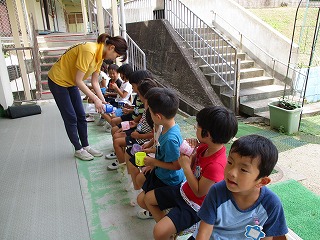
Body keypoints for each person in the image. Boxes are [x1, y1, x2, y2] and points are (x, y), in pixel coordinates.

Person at [144, 106, 238, 240]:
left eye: (198, 126)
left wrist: (186, 167)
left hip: (196, 205)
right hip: (184, 190)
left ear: (207, 134)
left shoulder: (217, 165)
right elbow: (193, 166)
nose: (195, 127)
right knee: (148, 199)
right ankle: (170, 232)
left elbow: (199, 192)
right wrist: (188, 153)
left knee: (158, 232)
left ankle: (168, 231)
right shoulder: (204, 146)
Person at [47, 33, 127, 161]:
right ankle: (78, 149)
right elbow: (79, 81)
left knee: (81, 115)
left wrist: (103, 101)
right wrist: (95, 100)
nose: (113, 59)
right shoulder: (89, 51)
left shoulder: (100, 56)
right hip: (58, 81)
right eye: (116, 56)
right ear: (111, 47)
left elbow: (95, 82)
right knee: (71, 117)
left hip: (71, 82)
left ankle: (86, 146)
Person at [192, 135, 288, 240]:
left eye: (243, 170)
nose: (231, 172)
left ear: (262, 181)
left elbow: (267, 237)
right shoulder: (217, 192)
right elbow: (204, 234)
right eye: (230, 162)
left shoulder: (271, 204)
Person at [135, 87, 185, 219]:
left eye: (150, 113)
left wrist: (154, 162)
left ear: (158, 116)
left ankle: (165, 226)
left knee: (143, 200)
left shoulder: (170, 139)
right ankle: (157, 209)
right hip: (161, 172)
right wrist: (153, 165)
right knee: (140, 179)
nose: (149, 116)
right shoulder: (166, 127)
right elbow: (161, 152)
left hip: (170, 180)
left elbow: (177, 166)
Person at [106, 78, 157, 170]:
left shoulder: (151, 110)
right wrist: (135, 124)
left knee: (117, 141)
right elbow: (143, 121)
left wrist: (138, 136)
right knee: (116, 134)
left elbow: (154, 133)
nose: (134, 91)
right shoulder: (147, 107)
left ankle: (122, 166)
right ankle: (121, 158)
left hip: (141, 137)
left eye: (138, 93)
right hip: (138, 130)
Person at [101, 64, 133, 129]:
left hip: (122, 104)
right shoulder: (124, 83)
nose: (120, 76)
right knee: (103, 110)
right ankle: (113, 124)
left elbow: (123, 96)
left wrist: (116, 88)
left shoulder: (128, 84)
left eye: (121, 74)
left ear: (125, 74)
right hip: (116, 102)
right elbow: (119, 95)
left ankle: (114, 125)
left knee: (111, 115)